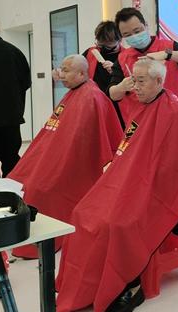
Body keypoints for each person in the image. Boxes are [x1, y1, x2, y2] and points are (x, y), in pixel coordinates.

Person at [56, 58, 178, 312]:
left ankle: (130, 284)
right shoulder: (141, 107)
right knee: (82, 212)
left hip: (154, 189)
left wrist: (142, 185)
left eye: (140, 82)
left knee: (117, 223)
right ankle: (85, 283)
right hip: (125, 182)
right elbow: (127, 151)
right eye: (133, 80)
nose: (135, 87)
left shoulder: (175, 112)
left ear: (159, 81)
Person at [8, 54, 123, 258]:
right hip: (52, 156)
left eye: (66, 71)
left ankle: (42, 238)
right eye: (61, 69)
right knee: (16, 178)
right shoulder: (73, 94)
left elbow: (82, 146)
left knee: (38, 187)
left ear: (82, 74)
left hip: (72, 165)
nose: (61, 75)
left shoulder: (92, 97)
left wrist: (54, 160)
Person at [108, 7, 178, 122]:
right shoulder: (123, 58)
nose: (134, 36)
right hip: (142, 120)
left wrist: (167, 54)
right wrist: (121, 87)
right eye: (127, 35)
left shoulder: (168, 46)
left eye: (137, 31)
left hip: (174, 116)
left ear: (146, 25)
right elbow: (113, 95)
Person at [0, 18, 31, 177]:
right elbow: (25, 83)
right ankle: (10, 192)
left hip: (9, 118)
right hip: (10, 120)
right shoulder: (14, 52)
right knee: (11, 162)